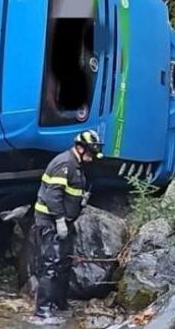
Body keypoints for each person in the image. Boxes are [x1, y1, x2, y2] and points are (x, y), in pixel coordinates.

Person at [29, 130, 103, 320]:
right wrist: (60, 220)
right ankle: (42, 311)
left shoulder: (76, 165)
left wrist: (80, 201)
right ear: (80, 148)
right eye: (90, 153)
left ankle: (59, 303)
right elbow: (53, 196)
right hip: (50, 222)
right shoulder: (65, 163)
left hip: (64, 223)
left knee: (64, 264)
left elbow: (70, 191)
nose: (91, 158)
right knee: (51, 265)